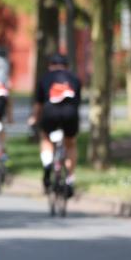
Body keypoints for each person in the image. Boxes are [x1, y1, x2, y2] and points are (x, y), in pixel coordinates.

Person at [30, 53, 81, 198]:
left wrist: (34, 119)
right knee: (70, 144)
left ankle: (47, 164)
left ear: (50, 65)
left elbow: (39, 104)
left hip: (50, 112)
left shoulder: (45, 78)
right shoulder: (75, 78)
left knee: (46, 138)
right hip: (70, 113)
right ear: (67, 66)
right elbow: (77, 102)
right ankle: (70, 178)